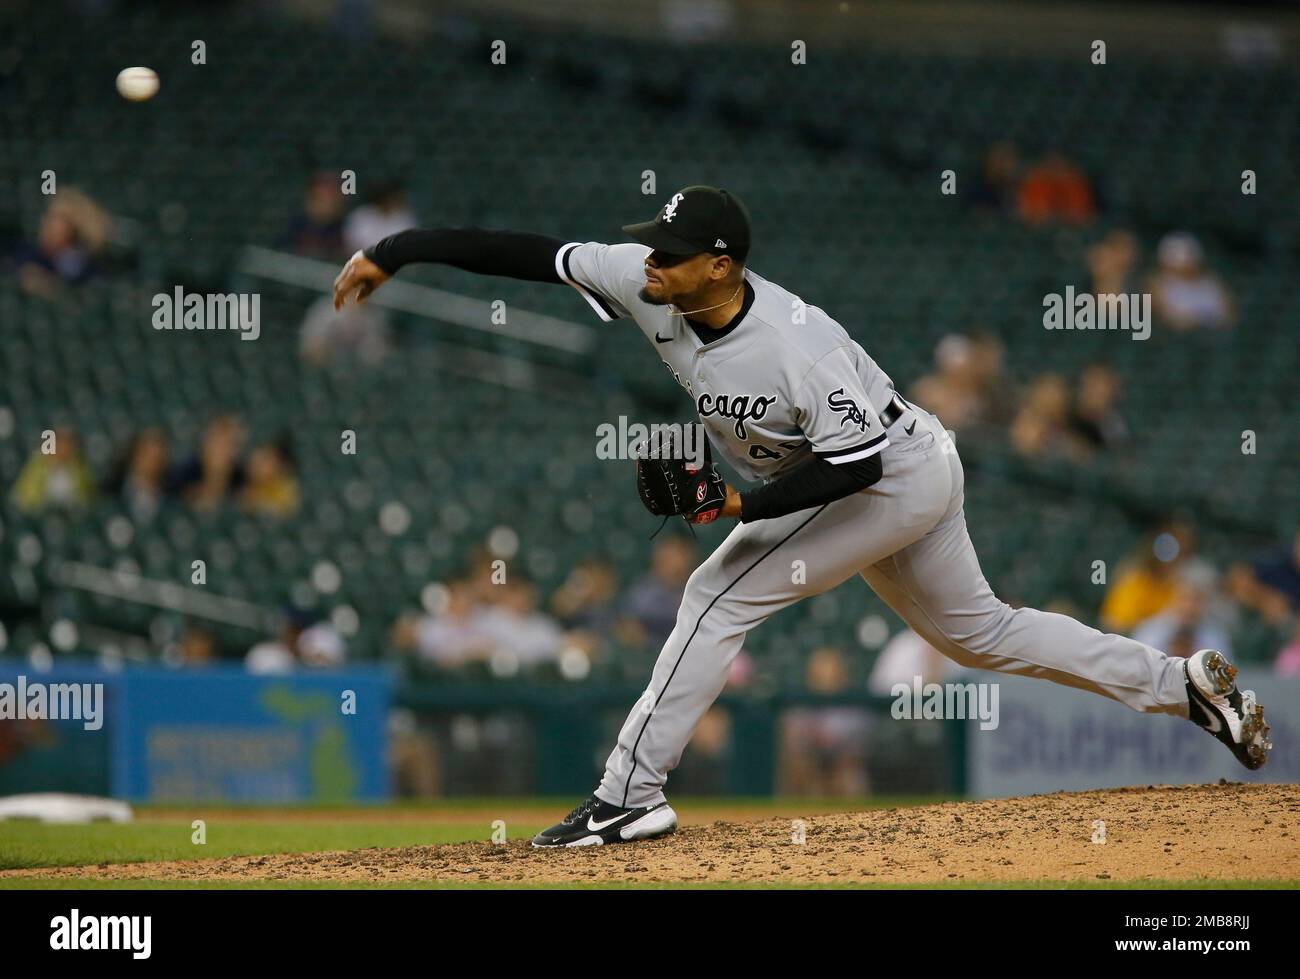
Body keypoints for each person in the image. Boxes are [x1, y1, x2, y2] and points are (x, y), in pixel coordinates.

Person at [332, 183, 1271, 848]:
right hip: (895, 467)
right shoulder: (648, 279)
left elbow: (855, 462)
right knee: (983, 634)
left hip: (896, 474)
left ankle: (628, 796)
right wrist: (396, 252)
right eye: (649, 246)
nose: (649, 261)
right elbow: (527, 254)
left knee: (714, 593)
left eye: (670, 252)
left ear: (722, 264)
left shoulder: (792, 344)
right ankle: (1184, 684)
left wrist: (739, 502)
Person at [10, 426, 96, 513]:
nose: (64, 449)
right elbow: (25, 498)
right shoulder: (39, 466)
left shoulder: (79, 467)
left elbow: (88, 497)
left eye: (68, 445)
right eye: (60, 444)